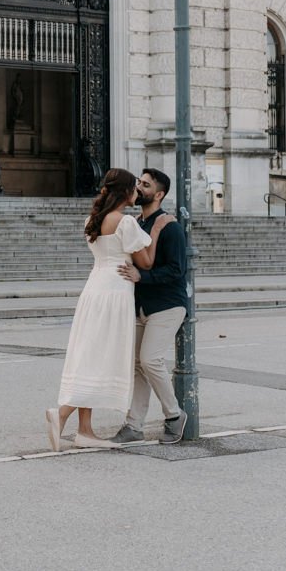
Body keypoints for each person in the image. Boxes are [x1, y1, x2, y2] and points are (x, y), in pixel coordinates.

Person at [46, 168, 173, 451]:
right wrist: (157, 228)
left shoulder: (93, 219)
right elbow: (147, 263)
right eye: (134, 188)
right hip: (115, 291)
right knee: (99, 358)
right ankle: (62, 413)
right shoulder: (126, 223)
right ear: (125, 193)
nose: (137, 192)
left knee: (90, 353)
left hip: (94, 289)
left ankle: (85, 431)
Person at [115, 168, 190, 445]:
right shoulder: (136, 224)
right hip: (141, 305)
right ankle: (133, 425)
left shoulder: (170, 226)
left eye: (145, 185)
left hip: (168, 304)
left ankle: (174, 415)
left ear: (159, 194)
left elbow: (177, 270)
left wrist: (142, 276)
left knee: (150, 360)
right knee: (136, 365)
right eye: (138, 183)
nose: (139, 187)